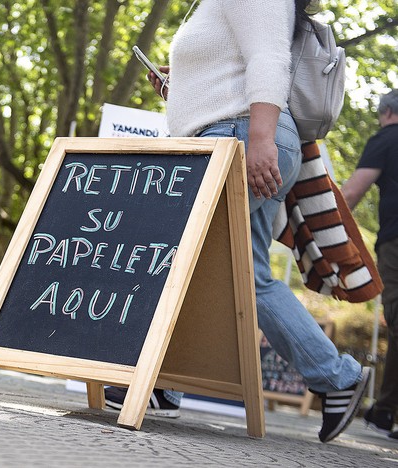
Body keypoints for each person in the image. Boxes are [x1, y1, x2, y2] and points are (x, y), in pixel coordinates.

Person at [113, 0, 371, 443]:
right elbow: (233, 70)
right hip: (235, 134)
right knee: (248, 278)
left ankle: (157, 380)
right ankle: (337, 379)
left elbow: (269, 56)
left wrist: (260, 140)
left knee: (169, 251)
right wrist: (182, 85)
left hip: (239, 139)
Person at [342, 89, 398, 440]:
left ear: (387, 112)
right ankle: (385, 410)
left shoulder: (387, 138)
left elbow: (352, 192)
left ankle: (386, 410)